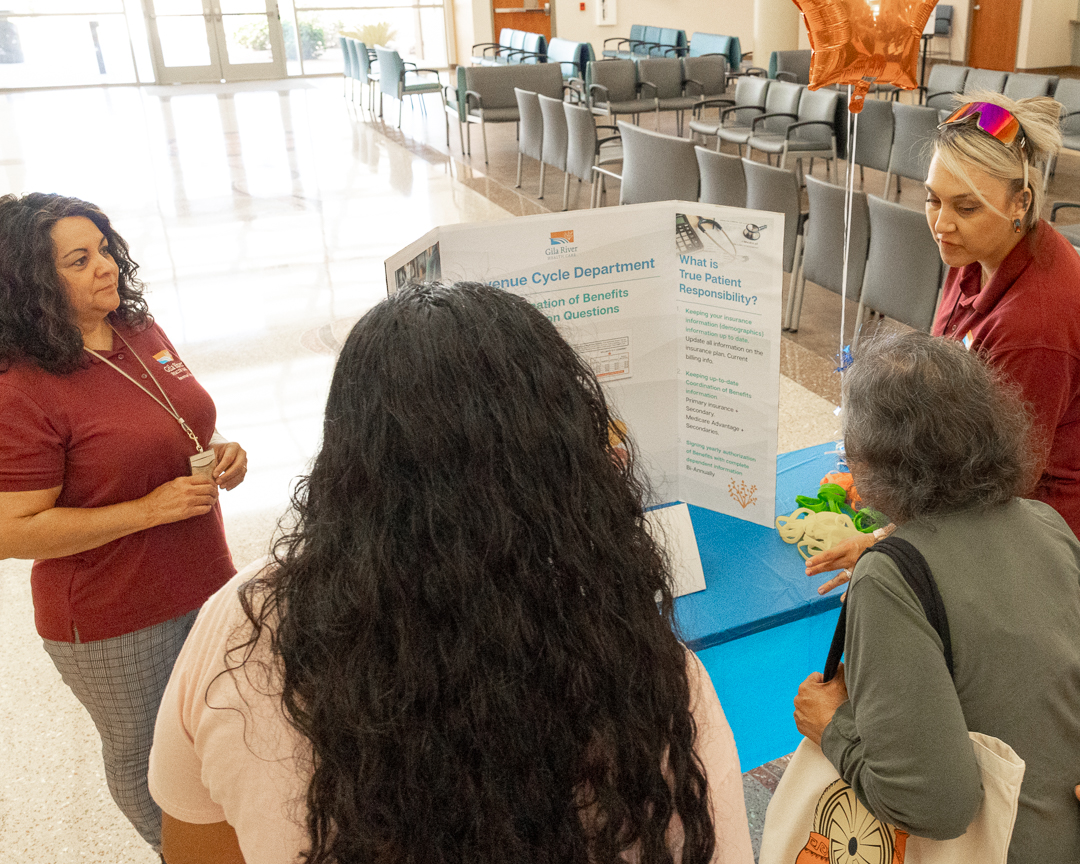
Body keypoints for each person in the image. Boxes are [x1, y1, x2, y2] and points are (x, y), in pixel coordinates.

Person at [148, 282, 755, 864]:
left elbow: (197, 843)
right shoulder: (642, 674)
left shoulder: (239, 626)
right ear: (568, 460)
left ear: (345, 455)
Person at [0, 192, 246, 851]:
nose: (106, 266)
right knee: (148, 757)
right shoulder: (23, 386)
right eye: (79, 260)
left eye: (105, 248)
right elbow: (11, 529)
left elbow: (172, 420)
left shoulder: (137, 329)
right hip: (113, 616)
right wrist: (147, 511)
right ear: (32, 283)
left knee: (220, 731)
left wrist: (220, 446)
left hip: (206, 578)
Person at [794, 330, 1080, 862]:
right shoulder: (1046, 523)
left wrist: (832, 727)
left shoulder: (889, 580)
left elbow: (934, 806)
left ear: (865, 460)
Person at [807, 92, 1080, 593]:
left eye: (966, 206)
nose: (940, 223)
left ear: (1021, 203)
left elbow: (1000, 487)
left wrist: (888, 541)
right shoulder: (977, 249)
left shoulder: (1035, 327)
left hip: (1040, 536)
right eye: (933, 198)